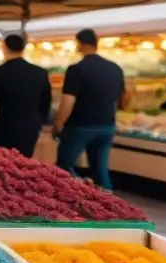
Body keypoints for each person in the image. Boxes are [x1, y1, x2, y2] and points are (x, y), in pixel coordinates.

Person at [53, 29, 128, 190]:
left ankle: (70, 202)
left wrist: (58, 125)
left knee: (63, 167)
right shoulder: (115, 69)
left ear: (80, 44)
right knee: (100, 170)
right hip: (107, 125)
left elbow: (68, 101)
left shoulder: (76, 69)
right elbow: (123, 100)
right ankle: (110, 208)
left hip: (80, 126)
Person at [0, 33, 51, 158]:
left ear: (4, 47)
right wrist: (40, 122)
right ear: (23, 48)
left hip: (5, 127)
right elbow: (46, 101)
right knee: (24, 164)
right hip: (30, 128)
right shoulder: (40, 72)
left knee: (3, 164)